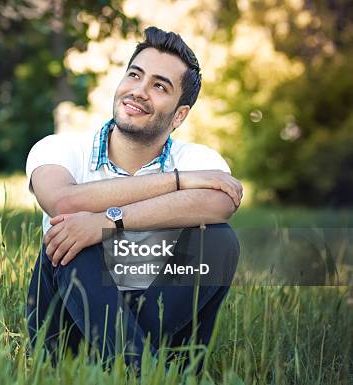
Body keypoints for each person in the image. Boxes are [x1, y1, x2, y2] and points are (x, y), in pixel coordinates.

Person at [25, 26, 242, 371]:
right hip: (70, 325)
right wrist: (177, 182)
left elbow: (222, 205)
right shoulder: (61, 147)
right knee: (72, 239)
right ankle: (146, 372)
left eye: (159, 86)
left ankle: (133, 364)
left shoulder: (200, 158)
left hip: (158, 316)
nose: (139, 91)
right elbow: (63, 203)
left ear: (180, 115)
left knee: (218, 240)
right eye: (134, 75)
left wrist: (107, 221)